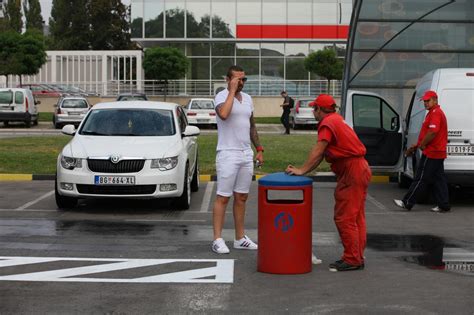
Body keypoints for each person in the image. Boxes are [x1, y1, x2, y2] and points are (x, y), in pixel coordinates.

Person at [285, 94, 371, 272]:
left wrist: (301, 170)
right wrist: (306, 169)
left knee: (345, 217)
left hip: (352, 170)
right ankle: (356, 256)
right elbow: (323, 154)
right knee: (356, 217)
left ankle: (353, 258)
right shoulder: (337, 119)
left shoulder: (327, 123)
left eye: (314, 108)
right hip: (359, 167)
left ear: (319, 109)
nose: (313, 111)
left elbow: (318, 151)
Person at [211, 65, 264, 254]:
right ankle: (217, 239)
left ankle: (240, 238)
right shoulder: (221, 96)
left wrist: (258, 148)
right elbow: (223, 115)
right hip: (227, 153)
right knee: (223, 197)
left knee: (241, 197)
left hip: (245, 153)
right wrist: (231, 91)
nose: (241, 83)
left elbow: (251, 125)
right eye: (237, 79)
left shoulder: (248, 99)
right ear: (228, 79)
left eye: (244, 79)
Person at [394, 90, 450, 213]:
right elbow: (428, 133)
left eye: (428, 100)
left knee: (421, 178)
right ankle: (443, 205)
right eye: (424, 101)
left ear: (435, 100)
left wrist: (422, 144)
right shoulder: (433, 113)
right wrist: (417, 145)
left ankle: (407, 202)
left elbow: (433, 132)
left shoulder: (435, 113)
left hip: (432, 153)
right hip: (437, 152)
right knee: (439, 179)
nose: (425, 103)